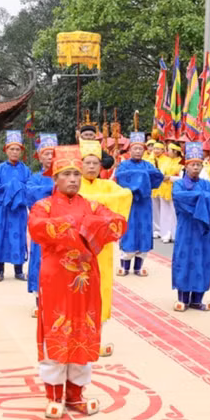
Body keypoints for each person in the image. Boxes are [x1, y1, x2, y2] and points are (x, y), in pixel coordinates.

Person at [27, 145, 127, 418]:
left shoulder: (92, 205)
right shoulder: (43, 206)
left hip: (86, 280)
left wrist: (88, 226)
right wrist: (75, 224)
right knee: (57, 331)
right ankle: (54, 395)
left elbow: (117, 223)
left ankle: (75, 394)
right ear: (55, 178)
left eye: (76, 174)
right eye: (66, 174)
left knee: (84, 331)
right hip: (55, 279)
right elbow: (37, 228)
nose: (72, 179)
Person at [78, 140, 132, 356]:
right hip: (78, 248)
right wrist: (100, 205)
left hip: (102, 249)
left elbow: (125, 196)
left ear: (102, 167)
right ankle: (78, 338)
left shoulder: (109, 186)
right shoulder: (73, 183)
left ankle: (95, 340)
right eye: (87, 163)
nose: (91, 167)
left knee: (100, 291)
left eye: (95, 163)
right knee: (79, 290)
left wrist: (92, 202)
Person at [172, 142, 210, 312]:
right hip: (186, 228)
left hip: (202, 230)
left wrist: (199, 196)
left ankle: (197, 299)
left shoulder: (206, 184)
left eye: (198, 165)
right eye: (192, 165)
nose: (195, 168)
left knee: (201, 261)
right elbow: (179, 197)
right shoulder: (178, 184)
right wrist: (202, 197)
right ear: (186, 166)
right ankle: (182, 298)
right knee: (184, 259)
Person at [115, 132, 164, 276]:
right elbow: (120, 179)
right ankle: (124, 266)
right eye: (135, 149)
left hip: (144, 204)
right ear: (130, 150)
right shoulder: (123, 166)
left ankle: (138, 266)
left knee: (144, 231)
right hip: (130, 203)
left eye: (140, 149)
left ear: (144, 151)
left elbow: (157, 178)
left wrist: (140, 178)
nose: (137, 151)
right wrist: (142, 177)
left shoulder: (148, 165)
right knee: (129, 231)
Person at [0, 130, 31, 282]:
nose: (14, 152)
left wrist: (17, 190)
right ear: (6, 150)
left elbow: (30, 188)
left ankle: (19, 271)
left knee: (19, 237)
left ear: (21, 151)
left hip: (18, 210)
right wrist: (11, 190)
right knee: (1, 236)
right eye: (11, 149)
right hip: (3, 208)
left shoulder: (26, 170)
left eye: (17, 149)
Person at [25, 133, 57, 318]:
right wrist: (51, 190)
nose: (49, 157)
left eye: (52, 153)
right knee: (39, 262)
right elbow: (31, 195)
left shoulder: (63, 176)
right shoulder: (35, 178)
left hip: (60, 227)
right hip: (42, 227)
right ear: (39, 156)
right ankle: (39, 302)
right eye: (46, 154)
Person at [156, 143, 183, 244]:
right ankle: (165, 234)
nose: (168, 152)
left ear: (175, 151)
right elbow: (161, 172)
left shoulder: (181, 163)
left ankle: (175, 234)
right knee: (165, 212)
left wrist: (170, 178)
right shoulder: (166, 161)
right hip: (164, 188)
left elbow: (182, 178)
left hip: (175, 189)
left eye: (169, 150)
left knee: (174, 212)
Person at [149, 142, 165, 238]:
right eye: (154, 148)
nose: (156, 150)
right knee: (154, 208)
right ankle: (156, 229)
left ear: (163, 150)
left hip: (164, 186)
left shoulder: (166, 160)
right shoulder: (149, 160)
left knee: (163, 208)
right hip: (153, 187)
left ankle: (163, 229)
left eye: (158, 148)